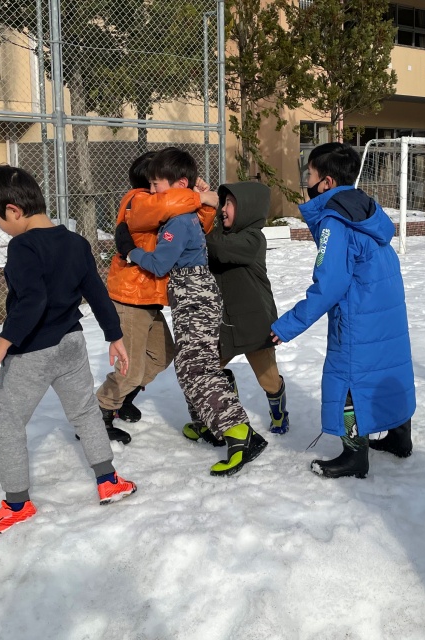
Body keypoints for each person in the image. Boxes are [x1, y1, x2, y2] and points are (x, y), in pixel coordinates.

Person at [0, 165, 136, 538]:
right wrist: (115, 335)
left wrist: (1, 345)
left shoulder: (23, 246)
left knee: (8, 423)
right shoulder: (76, 242)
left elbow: (32, 301)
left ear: (13, 210)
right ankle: (108, 481)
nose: (1, 227)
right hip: (71, 343)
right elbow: (96, 292)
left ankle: (16, 505)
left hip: (32, 351)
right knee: (84, 413)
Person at [117, 147, 268, 476]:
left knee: (195, 368)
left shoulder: (178, 222)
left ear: (179, 184)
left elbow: (159, 264)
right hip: (192, 295)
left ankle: (240, 433)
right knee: (192, 363)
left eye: (157, 185)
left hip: (194, 296)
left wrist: (129, 251)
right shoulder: (181, 218)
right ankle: (207, 424)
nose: (154, 191)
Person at [271, 142, 415, 479]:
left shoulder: (336, 222)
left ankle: (354, 456)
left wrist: (287, 326)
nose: (305, 180)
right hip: (384, 310)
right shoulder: (366, 210)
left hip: (359, 315)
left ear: (327, 183)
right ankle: (399, 436)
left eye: (309, 174)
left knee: (350, 380)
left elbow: (330, 284)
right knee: (386, 367)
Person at [93, 151, 215, 444]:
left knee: (162, 355)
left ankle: (122, 395)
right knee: (131, 368)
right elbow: (169, 203)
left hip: (149, 296)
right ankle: (99, 413)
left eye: (157, 182)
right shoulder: (138, 200)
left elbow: (197, 227)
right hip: (131, 294)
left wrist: (203, 199)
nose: (154, 187)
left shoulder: (169, 205)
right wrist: (198, 197)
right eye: (155, 180)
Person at [180, 181, 290, 443]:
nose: (223, 210)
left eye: (229, 204)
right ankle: (214, 420)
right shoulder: (222, 234)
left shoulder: (253, 239)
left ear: (248, 209)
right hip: (223, 323)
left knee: (269, 379)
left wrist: (208, 205)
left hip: (255, 322)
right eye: (223, 203)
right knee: (203, 372)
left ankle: (279, 413)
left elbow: (218, 248)